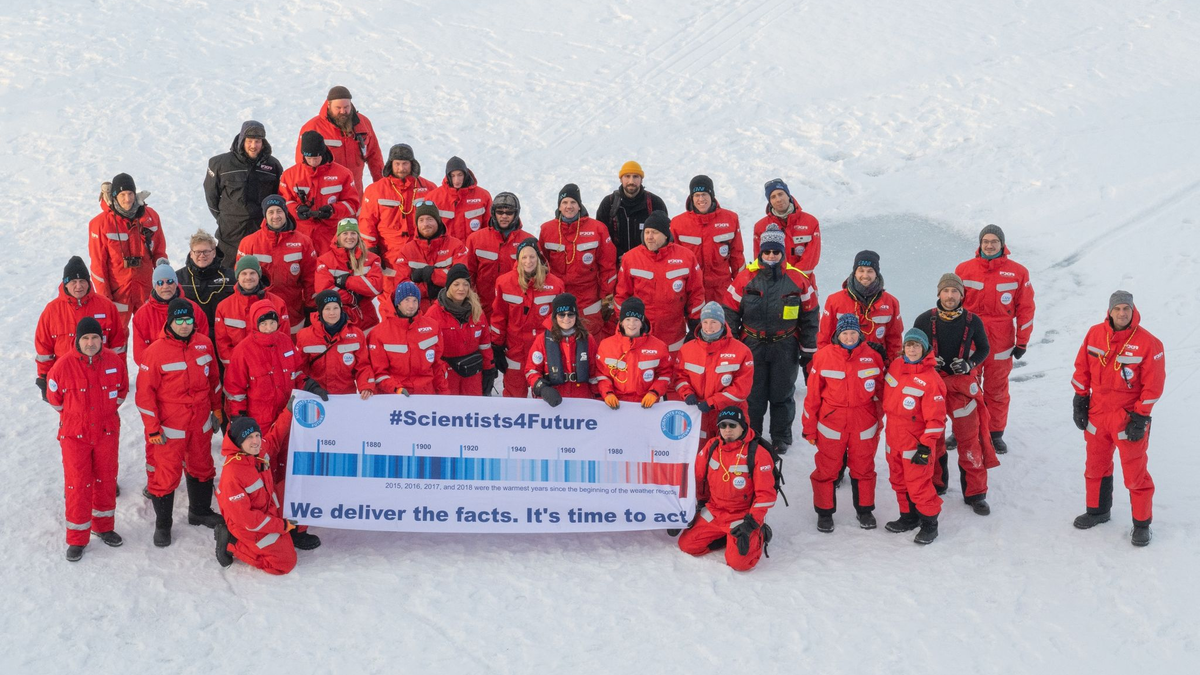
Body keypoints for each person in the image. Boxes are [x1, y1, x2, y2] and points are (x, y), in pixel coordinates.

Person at [1070, 291, 1165, 547]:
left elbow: (1153, 385)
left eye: (1126, 308)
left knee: (1135, 473)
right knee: (1095, 466)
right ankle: (1097, 512)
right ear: (1109, 311)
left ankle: (1142, 524)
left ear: (1133, 311)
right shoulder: (1094, 333)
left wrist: (1140, 417)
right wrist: (1080, 400)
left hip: (1127, 416)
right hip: (1097, 413)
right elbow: (1082, 367)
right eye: (1117, 309)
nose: (1122, 313)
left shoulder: (1149, 343)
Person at [721, 225, 819, 454]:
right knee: (753, 393)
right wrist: (733, 344)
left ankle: (781, 436)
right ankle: (751, 433)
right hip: (751, 345)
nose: (771, 256)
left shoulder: (799, 280)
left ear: (783, 253)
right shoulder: (745, 278)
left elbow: (811, 315)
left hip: (785, 346)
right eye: (767, 252)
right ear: (760, 253)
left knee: (782, 394)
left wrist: (808, 349)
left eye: (776, 252)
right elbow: (730, 311)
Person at [135, 299, 224, 547]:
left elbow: (214, 381)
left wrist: (217, 409)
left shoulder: (204, 345)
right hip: (169, 427)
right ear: (170, 322)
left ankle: (200, 511)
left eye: (188, 320)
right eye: (179, 320)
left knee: (202, 465)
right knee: (165, 474)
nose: (184, 325)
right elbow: (144, 395)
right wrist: (153, 427)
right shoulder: (154, 352)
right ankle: (163, 524)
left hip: (200, 422)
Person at [912, 273, 997, 514]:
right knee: (934, 438)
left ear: (962, 295)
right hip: (933, 387)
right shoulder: (923, 320)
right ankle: (937, 484)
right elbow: (911, 348)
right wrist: (928, 359)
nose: (950, 296)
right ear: (938, 294)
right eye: (946, 291)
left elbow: (984, 348)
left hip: (961, 388)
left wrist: (970, 365)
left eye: (954, 291)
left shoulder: (973, 321)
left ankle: (976, 493)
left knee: (969, 440)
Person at [46, 317, 128, 561]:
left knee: (106, 478)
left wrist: (106, 413)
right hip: (75, 435)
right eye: (86, 338)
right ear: (77, 340)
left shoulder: (114, 361)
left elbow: (122, 391)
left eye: (95, 338)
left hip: (106, 432)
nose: (91, 343)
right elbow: (54, 399)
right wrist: (75, 417)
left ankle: (103, 527)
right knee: (78, 484)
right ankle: (77, 537)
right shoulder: (62, 366)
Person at [955, 224, 1036, 454]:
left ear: (1002, 244)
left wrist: (1022, 341)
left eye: (994, 241)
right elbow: (952, 304)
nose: (990, 245)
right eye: (986, 241)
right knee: (965, 386)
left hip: (1001, 340)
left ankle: (995, 433)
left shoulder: (1018, 272)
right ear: (980, 244)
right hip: (969, 335)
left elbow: (1026, 309)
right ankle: (961, 431)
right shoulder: (964, 269)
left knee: (997, 389)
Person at [225, 300, 323, 484]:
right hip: (259, 422)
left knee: (287, 462)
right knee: (264, 463)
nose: (269, 328)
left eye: (272, 323)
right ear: (255, 324)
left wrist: (310, 386)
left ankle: (284, 502)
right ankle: (267, 503)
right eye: (263, 323)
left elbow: (298, 372)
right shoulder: (243, 351)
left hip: (287, 415)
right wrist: (239, 418)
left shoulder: (286, 342)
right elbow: (235, 390)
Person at [802, 315, 886, 532]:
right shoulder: (823, 357)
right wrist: (809, 429)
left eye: (853, 333)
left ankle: (865, 510)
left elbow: (881, 393)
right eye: (844, 333)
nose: (849, 337)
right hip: (832, 422)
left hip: (863, 423)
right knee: (827, 468)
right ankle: (825, 513)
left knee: (864, 468)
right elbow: (812, 397)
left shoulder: (873, 357)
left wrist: (878, 421)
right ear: (837, 335)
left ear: (860, 334)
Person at [678, 406, 776, 571]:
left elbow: (766, 496)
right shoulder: (712, 446)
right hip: (714, 511)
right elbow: (694, 477)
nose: (727, 430)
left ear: (743, 426)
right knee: (687, 546)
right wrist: (677, 509)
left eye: (732, 425)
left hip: (742, 516)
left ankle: (760, 533)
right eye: (723, 426)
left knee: (739, 564)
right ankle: (726, 539)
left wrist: (751, 522)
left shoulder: (758, 453)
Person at [881, 328, 947, 545]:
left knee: (918, 484)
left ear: (925, 348)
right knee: (898, 481)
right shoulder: (897, 366)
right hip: (893, 438)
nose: (912, 349)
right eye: (909, 345)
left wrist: (926, 447)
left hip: (915, 444)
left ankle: (930, 523)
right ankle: (908, 517)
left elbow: (936, 420)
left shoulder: (931, 380)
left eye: (916, 345)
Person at [214, 414, 299, 574]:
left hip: (267, 510)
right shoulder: (233, 474)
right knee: (285, 563)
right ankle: (232, 543)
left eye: (257, 435)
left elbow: (275, 436)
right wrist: (280, 525)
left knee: (297, 490)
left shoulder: (256, 451)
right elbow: (247, 519)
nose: (255, 441)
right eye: (249, 438)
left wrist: (289, 409)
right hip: (248, 526)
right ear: (238, 442)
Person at [35, 256, 127, 401]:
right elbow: (44, 350)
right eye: (73, 282)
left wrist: (118, 373)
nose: (79, 286)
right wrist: (45, 377)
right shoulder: (51, 311)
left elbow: (118, 346)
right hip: (67, 380)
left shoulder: (106, 306)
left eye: (82, 281)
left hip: (101, 377)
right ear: (65, 284)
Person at [613, 211, 705, 352]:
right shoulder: (631, 258)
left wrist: (695, 322)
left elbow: (696, 293)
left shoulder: (686, 257)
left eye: (654, 232)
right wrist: (624, 324)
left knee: (673, 372)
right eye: (647, 232)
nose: (649, 237)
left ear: (666, 235)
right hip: (640, 332)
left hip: (673, 333)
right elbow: (621, 296)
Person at [359, 144, 437, 300]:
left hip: (421, 256)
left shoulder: (429, 188)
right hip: (389, 259)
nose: (401, 168)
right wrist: (371, 251)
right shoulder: (375, 190)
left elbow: (438, 223)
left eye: (405, 163)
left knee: (422, 302)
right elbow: (366, 224)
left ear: (412, 164)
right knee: (390, 302)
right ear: (390, 164)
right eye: (397, 164)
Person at [88, 173, 168, 326]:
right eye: (122, 194)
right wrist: (105, 298)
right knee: (116, 338)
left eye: (130, 193)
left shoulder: (150, 216)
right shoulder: (100, 224)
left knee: (150, 333)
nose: (127, 199)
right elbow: (98, 266)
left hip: (145, 289)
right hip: (118, 292)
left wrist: (164, 282)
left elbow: (159, 252)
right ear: (114, 196)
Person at [490, 238, 566, 398]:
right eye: (524, 257)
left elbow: (559, 322)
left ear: (538, 258)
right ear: (518, 259)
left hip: (543, 348)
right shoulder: (504, 283)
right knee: (514, 395)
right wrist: (496, 346)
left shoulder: (555, 284)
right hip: (515, 349)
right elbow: (499, 317)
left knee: (543, 394)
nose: (528, 261)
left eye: (532, 257)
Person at [538, 183, 618, 335]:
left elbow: (608, 266)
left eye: (573, 202)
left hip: (589, 299)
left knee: (589, 340)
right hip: (558, 297)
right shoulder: (547, 230)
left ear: (580, 205)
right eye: (565, 202)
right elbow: (542, 265)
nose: (569, 206)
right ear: (559, 207)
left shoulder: (597, 229)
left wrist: (607, 298)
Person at [672, 301, 754, 443]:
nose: (709, 327)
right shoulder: (687, 349)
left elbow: (742, 389)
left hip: (729, 416)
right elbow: (679, 377)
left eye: (714, 322)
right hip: (697, 415)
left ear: (722, 323)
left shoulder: (741, 351)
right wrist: (687, 393)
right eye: (706, 322)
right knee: (698, 455)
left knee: (728, 457)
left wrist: (712, 402)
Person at [236, 194, 318, 335]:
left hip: (292, 311)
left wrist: (312, 306)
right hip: (260, 312)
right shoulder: (249, 243)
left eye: (279, 211)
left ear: (286, 213)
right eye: (271, 212)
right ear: (265, 215)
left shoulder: (303, 242)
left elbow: (311, 278)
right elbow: (240, 281)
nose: (275, 216)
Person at [203, 120, 284, 260]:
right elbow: (211, 195)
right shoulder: (219, 164)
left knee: (259, 271)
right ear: (242, 140)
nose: (254, 146)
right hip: (230, 230)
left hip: (260, 227)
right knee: (228, 271)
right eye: (249, 141)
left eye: (258, 141)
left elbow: (278, 197)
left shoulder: (273, 166)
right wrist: (223, 219)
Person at [280, 130, 360, 256]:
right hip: (301, 236)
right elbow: (283, 202)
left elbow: (353, 204)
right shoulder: (290, 175)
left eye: (316, 157)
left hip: (331, 235)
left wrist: (332, 210)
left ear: (322, 153)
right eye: (309, 158)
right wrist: (296, 210)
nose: (313, 161)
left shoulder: (343, 174)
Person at [818, 250, 903, 363]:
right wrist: (825, 363)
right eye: (861, 270)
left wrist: (891, 366)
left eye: (870, 271)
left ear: (876, 273)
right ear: (854, 272)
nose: (865, 275)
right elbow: (825, 338)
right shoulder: (834, 301)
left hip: (876, 365)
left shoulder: (891, 302)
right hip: (843, 364)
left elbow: (894, 340)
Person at [669, 174, 743, 303]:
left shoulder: (731, 219)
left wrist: (742, 287)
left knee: (723, 323)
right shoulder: (677, 223)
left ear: (712, 195)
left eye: (704, 194)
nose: (701, 199)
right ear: (691, 198)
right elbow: (672, 260)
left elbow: (737, 257)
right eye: (697, 195)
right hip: (692, 291)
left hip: (721, 290)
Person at [424, 264, 495, 396]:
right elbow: (427, 351)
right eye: (456, 284)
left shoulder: (477, 311)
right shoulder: (433, 314)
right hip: (446, 376)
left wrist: (489, 369)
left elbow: (485, 345)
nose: (461, 289)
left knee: (473, 413)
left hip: (473, 374)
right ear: (448, 285)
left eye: (465, 284)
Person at [368, 282, 450, 395]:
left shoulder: (432, 327)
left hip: (426, 394)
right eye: (407, 300)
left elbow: (437, 366)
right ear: (398, 303)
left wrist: (444, 394)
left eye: (415, 300)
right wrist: (397, 389)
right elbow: (379, 373)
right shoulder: (378, 333)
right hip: (394, 396)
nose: (411, 306)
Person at [294, 86, 383, 188]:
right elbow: (302, 164)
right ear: (329, 105)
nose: (343, 111)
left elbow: (375, 156)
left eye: (346, 107)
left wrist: (381, 186)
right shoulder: (313, 127)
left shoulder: (363, 124)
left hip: (354, 191)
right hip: (325, 191)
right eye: (338, 108)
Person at [594, 298, 672, 409]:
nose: (632, 324)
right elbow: (602, 375)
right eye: (628, 319)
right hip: (616, 406)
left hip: (646, 406)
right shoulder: (606, 345)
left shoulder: (659, 346)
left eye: (636, 320)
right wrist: (608, 393)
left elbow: (665, 374)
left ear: (642, 321)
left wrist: (654, 392)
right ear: (621, 321)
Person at [214, 255, 292, 366]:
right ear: (237, 276)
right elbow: (223, 344)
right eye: (244, 273)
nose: (248, 277)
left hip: (269, 367)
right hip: (238, 368)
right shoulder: (224, 307)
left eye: (252, 273)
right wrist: (238, 366)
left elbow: (284, 339)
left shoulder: (278, 303)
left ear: (259, 275)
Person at [296, 290, 375, 398]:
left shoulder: (356, 334)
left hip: (345, 398)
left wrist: (365, 386)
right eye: (327, 309)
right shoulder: (305, 336)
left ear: (341, 308)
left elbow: (363, 366)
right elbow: (300, 369)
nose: (332, 313)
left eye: (335, 308)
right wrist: (311, 388)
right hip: (316, 396)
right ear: (320, 311)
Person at [393, 202, 469, 314]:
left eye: (430, 219)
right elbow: (402, 286)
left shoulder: (456, 246)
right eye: (421, 220)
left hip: (450, 310)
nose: (425, 224)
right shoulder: (407, 251)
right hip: (418, 313)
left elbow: (460, 278)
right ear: (416, 224)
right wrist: (430, 289)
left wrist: (430, 274)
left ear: (438, 221)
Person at [130, 262, 209, 366]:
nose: (165, 286)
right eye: (160, 283)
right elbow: (140, 354)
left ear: (176, 283)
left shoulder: (193, 308)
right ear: (154, 285)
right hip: (158, 371)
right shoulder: (142, 315)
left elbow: (203, 344)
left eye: (170, 281)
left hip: (189, 367)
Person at [525, 293, 597, 405]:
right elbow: (531, 371)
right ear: (555, 316)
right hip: (552, 400)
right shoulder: (542, 340)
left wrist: (599, 399)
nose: (566, 319)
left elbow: (595, 372)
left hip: (582, 400)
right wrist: (543, 389)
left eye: (571, 314)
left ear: (576, 316)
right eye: (562, 315)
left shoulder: (587, 339)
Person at [314, 218, 384, 333]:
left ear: (358, 236)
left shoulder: (372, 258)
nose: (349, 237)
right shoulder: (325, 261)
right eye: (345, 233)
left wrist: (347, 281)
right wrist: (353, 297)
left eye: (353, 233)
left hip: (368, 319)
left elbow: (375, 287)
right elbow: (324, 291)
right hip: (340, 320)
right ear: (338, 236)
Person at [465, 191, 530, 312]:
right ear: (493, 213)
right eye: (499, 212)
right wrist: (471, 302)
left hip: (515, 309)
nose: (504, 216)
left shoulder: (528, 241)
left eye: (509, 213)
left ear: (516, 214)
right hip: (482, 307)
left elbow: (536, 276)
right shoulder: (475, 239)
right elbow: (468, 274)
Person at [595, 161, 668, 260]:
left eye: (635, 177)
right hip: (616, 262)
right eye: (627, 176)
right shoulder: (609, 203)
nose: (631, 181)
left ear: (641, 179)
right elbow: (600, 236)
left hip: (647, 262)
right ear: (621, 179)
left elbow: (665, 236)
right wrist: (619, 256)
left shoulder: (655, 203)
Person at [752, 178, 821, 281]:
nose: (778, 199)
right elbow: (760, 259)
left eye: (780, 194)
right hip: (774, 283)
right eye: (773, 197)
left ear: (788, 195)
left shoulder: (810, 222)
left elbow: (811, 258)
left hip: (804, 283)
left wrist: (792, 279)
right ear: (770, 201)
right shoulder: (760, 226)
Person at [176, 230, 236, 342]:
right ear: (191, 253)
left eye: (206, 252)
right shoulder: (178, 278)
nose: (202, 256)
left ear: (214, 253)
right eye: (198, 252)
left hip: (224, 336)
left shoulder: (231, 277)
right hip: (192, 336)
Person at [429, 156, 492, 242]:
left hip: (473, 250)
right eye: (453, 175)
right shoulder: (433, 198)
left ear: (465, 174)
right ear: (448, 176)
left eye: (460, 175)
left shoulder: (483, 196)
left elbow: (489, 229)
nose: (456, 180)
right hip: (446, 252)